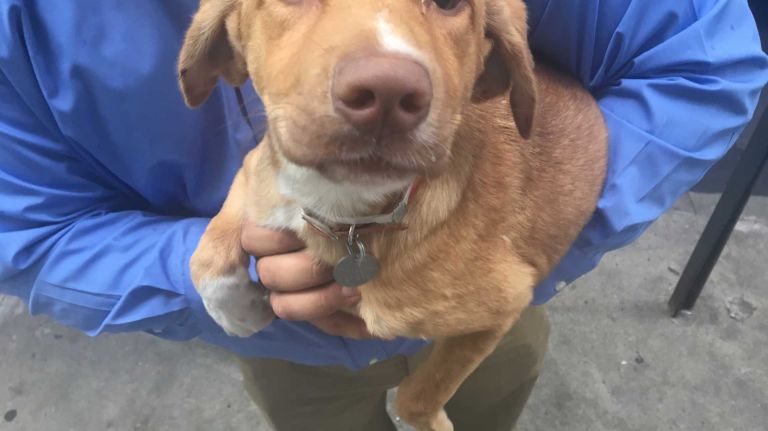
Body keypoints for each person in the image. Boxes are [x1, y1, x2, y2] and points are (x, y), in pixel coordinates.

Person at [0, 0, 766, 430]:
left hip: (478, 315)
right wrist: (202, 268)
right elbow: (29, 232)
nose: (385, 78)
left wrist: (542, 222)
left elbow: (707, 56)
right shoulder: (26, 25)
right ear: (220, 55)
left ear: (495, 59)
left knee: (490, 390)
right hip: (291, 350)